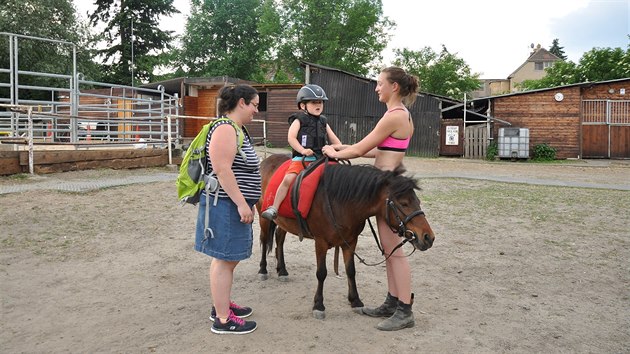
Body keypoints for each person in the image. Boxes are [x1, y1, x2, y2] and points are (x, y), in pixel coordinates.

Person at [321, 67, 419, 331]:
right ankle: (392, 301)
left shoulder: (393, 116)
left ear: (394, 87)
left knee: (395, 252)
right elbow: (380, 149)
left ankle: (405, 310)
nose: (376, 88)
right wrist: (344, 147)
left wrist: (333, 150)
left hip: (387, 190)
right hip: (387, 186)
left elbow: (362, 148)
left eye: (379, 83)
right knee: (389, 250)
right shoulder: (402, 115)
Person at [194, 84, 262, 335]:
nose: (256, 110)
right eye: (254, 105)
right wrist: (242, 203)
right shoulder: (225, 128)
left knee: (228, 258)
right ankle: (223, 319)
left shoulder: (235, 129)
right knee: (224, 259)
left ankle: (221, 304)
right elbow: (222, 169)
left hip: (229, 204)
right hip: (225, 204)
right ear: (241, 102)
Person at [260, 84, 342, 220]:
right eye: (314, 102)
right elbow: (291, 138)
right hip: (302, 160)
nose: (318, 105)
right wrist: (303, 150)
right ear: (303, 106)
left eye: (320, 102)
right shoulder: (299, 120)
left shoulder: (323, 122)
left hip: (321, 160)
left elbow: (336, 141)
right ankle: (274, 207)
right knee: (288, 179)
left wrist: (334, 149)